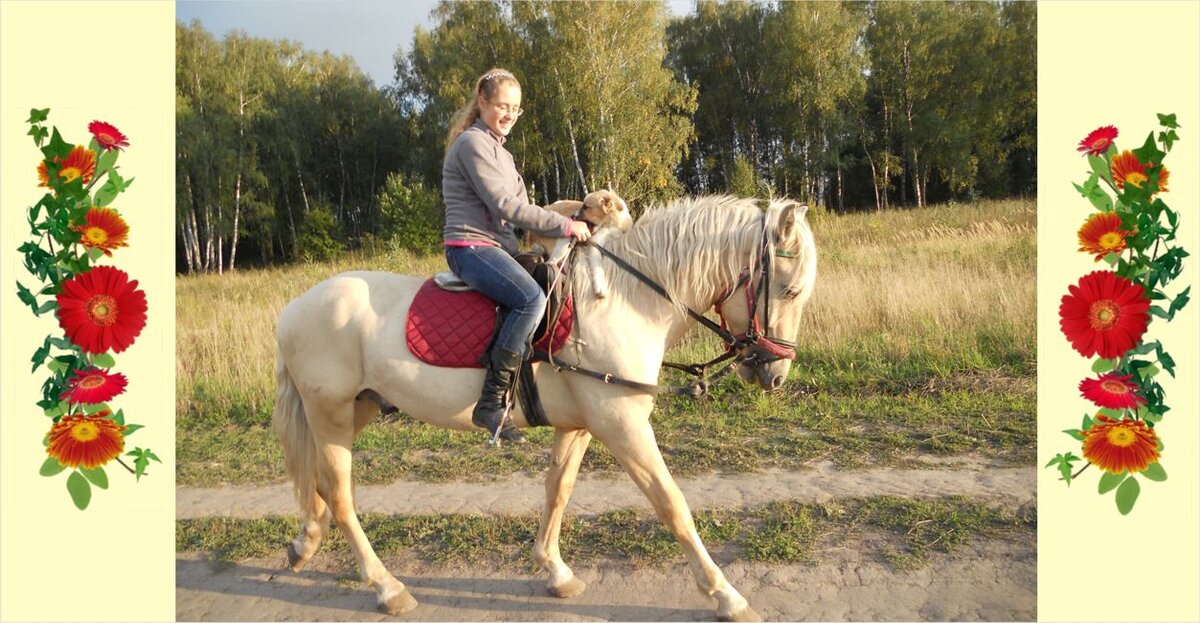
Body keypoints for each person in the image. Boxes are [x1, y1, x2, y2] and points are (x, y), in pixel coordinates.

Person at [442, 67, 590, 443]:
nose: (509, 114)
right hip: (470, 246)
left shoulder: (502, 155)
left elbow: (528, 211)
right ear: (482, 102)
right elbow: (505, 206)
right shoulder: (473, 144)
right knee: (529, 299)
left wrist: (580, 216)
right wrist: (566, 228)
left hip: (499, 247)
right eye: (502, 106)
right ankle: (490, 403)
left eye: (516, 108)